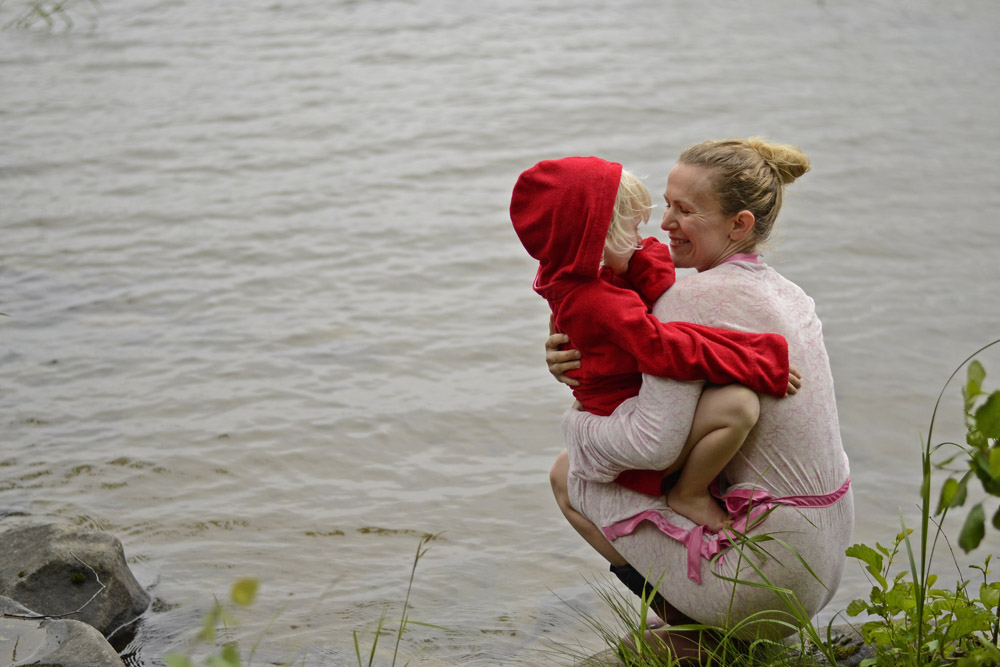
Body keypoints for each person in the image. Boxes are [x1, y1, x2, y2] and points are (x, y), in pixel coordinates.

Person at [545, 138, 853, 660]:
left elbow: (650, 443)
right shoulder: (792, 295)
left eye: (684, 210)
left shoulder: (687, 299)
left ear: (740, 224)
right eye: (665, 204)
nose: (663, 224)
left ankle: (708, 633)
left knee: (567, 475)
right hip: (818, 565)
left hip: (762, 577)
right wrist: (577, 355)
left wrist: (575, 421)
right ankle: (710, 627)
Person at [510, 156, 800, 532]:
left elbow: (654, 284)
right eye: (632, 231)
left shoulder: (580, 279)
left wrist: (634, 257)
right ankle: (689, 494)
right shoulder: (597, 299)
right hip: (641, 438)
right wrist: (754, 360)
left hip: (620, 418)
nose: (648, 237)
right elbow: (662, 348)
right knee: (737, 408)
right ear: (597, 238)